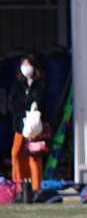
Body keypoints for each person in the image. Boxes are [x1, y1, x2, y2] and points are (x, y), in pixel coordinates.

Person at [10, 55, 48, 201]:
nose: (26, 67)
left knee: (34, 156)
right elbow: (13, 103)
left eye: (28, 64)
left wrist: (34, 110)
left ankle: (36, 188)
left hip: (34, 127)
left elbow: (42, 101)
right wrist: (23, 111)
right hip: (21, 125)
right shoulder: (18, 84)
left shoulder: (40, 84)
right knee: (16, 153)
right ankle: (20, 187)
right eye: (24, 64)